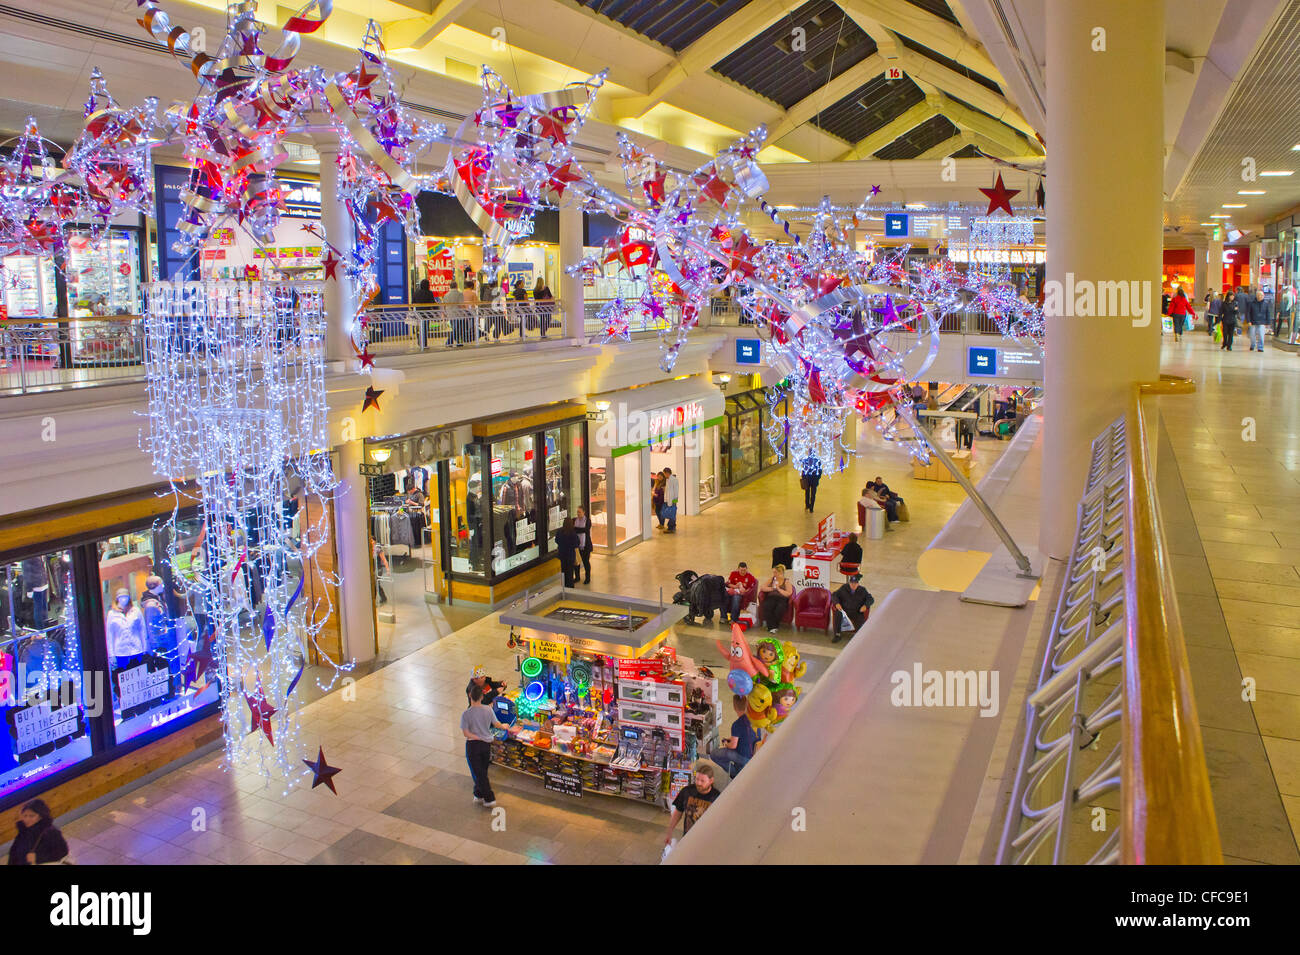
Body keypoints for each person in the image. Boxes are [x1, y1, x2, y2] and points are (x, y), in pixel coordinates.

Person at [461, 684, 517, 808]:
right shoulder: (488, 709)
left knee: (478, 772)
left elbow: (465, 733)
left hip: (472, 746)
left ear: (470, 696)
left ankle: (489, 798)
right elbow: (497, 724)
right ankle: (478, 793)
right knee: (482, 770)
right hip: (486, 745)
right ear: (482, 697)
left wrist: (476, 737)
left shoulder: (466, 714)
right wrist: (505, 726)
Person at [664, 764, 719, 847]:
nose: (698, 783)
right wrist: (669, 832)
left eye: (702, 781)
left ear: (711, 781)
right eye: (697, 779)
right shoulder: (687, 791)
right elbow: (678, 812)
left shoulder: (717, 798)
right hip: (687, 840)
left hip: (707, 842)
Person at [710, 695, 760, 778]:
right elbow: (745, 735)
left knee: (714, 754)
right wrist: (731, 739)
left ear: (734, 707)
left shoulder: (737, 724)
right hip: (755, 754)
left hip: (744, 757)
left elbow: (733, 746)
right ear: (747, 704)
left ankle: (735, 774)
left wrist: (726, 743)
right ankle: (739, 768)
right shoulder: (754, 718)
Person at [8, 799, 69, 865]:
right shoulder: (23, 831)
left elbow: (62, 851)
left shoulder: (50, 832)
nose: (27, 819)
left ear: (40, 816)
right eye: (25, 816)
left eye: (32, 816)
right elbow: (14, 854)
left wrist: (37, 857)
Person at [106, 588, 146, 671]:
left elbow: (142, 630)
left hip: (136, 650)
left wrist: (145, 648)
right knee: (123, 677)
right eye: (121, 597)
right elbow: (110, 635)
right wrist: (111, 654)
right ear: (117, 599)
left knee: (139, 674)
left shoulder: (136, 611)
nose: (124, 599)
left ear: (129, 598)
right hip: (120, 652)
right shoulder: (112, 614)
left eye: (126, 597)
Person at [830, 574, 874, 643]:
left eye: (855, 583)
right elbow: (834, 595)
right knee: (838, 614)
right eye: (851, 583)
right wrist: (837, 603)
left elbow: (870, 599)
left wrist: (865, 605)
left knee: (861, 620)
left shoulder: (862, 590)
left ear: (858, 584)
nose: (853, 585)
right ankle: (837, 635)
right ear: (849, 583)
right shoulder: (844, 588)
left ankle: (859, 637)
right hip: (845, 610)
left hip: (856, 611)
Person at [758, 565, 794, 634]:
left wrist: (778, 589)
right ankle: (772, 627)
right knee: (767, 606)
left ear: (780, 573)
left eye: (775, 572)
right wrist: (772, 588)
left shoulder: (786, 581)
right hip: (772, 597)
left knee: (779, 609)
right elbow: (762, 587)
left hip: (782, 598)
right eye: (774, 572)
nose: (774, 574)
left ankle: (773, 626)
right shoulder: (772, 579)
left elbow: (788, 593)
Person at [554, 516, 582, 588]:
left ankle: (564, 585)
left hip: (562, 555)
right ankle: (570, 586)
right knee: (570, 572)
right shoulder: (572, 533)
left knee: (563, 570)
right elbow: (577, 543)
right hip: (570, 555)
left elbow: (556, 540)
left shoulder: (559, 531)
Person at [572, 506, 594, 584]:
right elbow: (573, 530)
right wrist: (578, 530)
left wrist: (576, 529)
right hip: (576, 546)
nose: (578, 513)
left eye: (580, 512)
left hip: (585, 546)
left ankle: (587, 578)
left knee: (586, 562)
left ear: (584, 512)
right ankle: (577, 577)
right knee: (576, 563)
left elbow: (585, 530)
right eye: (577, 512)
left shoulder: (588, 521)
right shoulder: (574, 520)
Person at [442, 280, 465, 347]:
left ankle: (459, 342)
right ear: (456, 286)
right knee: (456, 329)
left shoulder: (446, 295)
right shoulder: (459, 294)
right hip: (458, 314)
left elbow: (444, 305)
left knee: (455, 328)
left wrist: (444, 313)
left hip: (450, 313)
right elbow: (461, 305)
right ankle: (449, 342)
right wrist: (465, 311)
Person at [371, 537, 390, 605]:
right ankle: (381, 598)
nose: (371, 542)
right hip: (372, 570)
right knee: (375, 584)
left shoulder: (378, 550)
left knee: (376, 584)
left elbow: (384, 560)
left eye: (372, 541)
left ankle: (376, 599)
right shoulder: (368, 550)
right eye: (370, 541)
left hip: (378, 569)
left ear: (375, 541)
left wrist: (387, 569)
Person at [662, 467, 680, 533]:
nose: (664, 475)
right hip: (668, 500)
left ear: (667, 473)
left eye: (664, 473)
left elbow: (676, 491)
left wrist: (674, 501)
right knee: (671, 513)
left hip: (673, 500)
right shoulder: (668, 480)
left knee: (672, 513)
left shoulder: (674, 480)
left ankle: (670, 528)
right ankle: (672, 527)